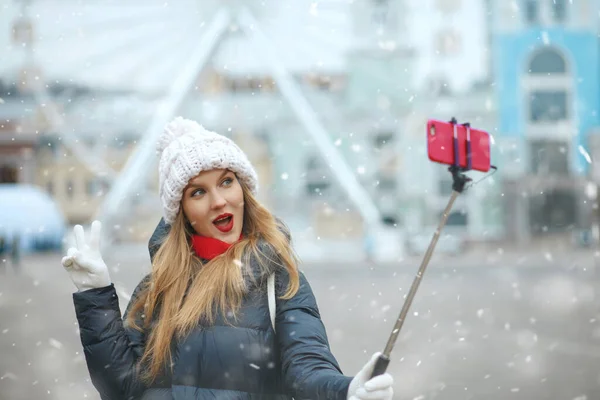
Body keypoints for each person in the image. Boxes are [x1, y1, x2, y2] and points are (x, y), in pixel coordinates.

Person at [61, 117, 394, 400]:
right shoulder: (156, 288)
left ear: (244, 191)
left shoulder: (277, 280)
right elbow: (122, 386)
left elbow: (306, 368)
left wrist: (346, 390)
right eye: (198, 192)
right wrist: (95, 298)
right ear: (182, 213)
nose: (219, 201)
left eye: (226, 182)